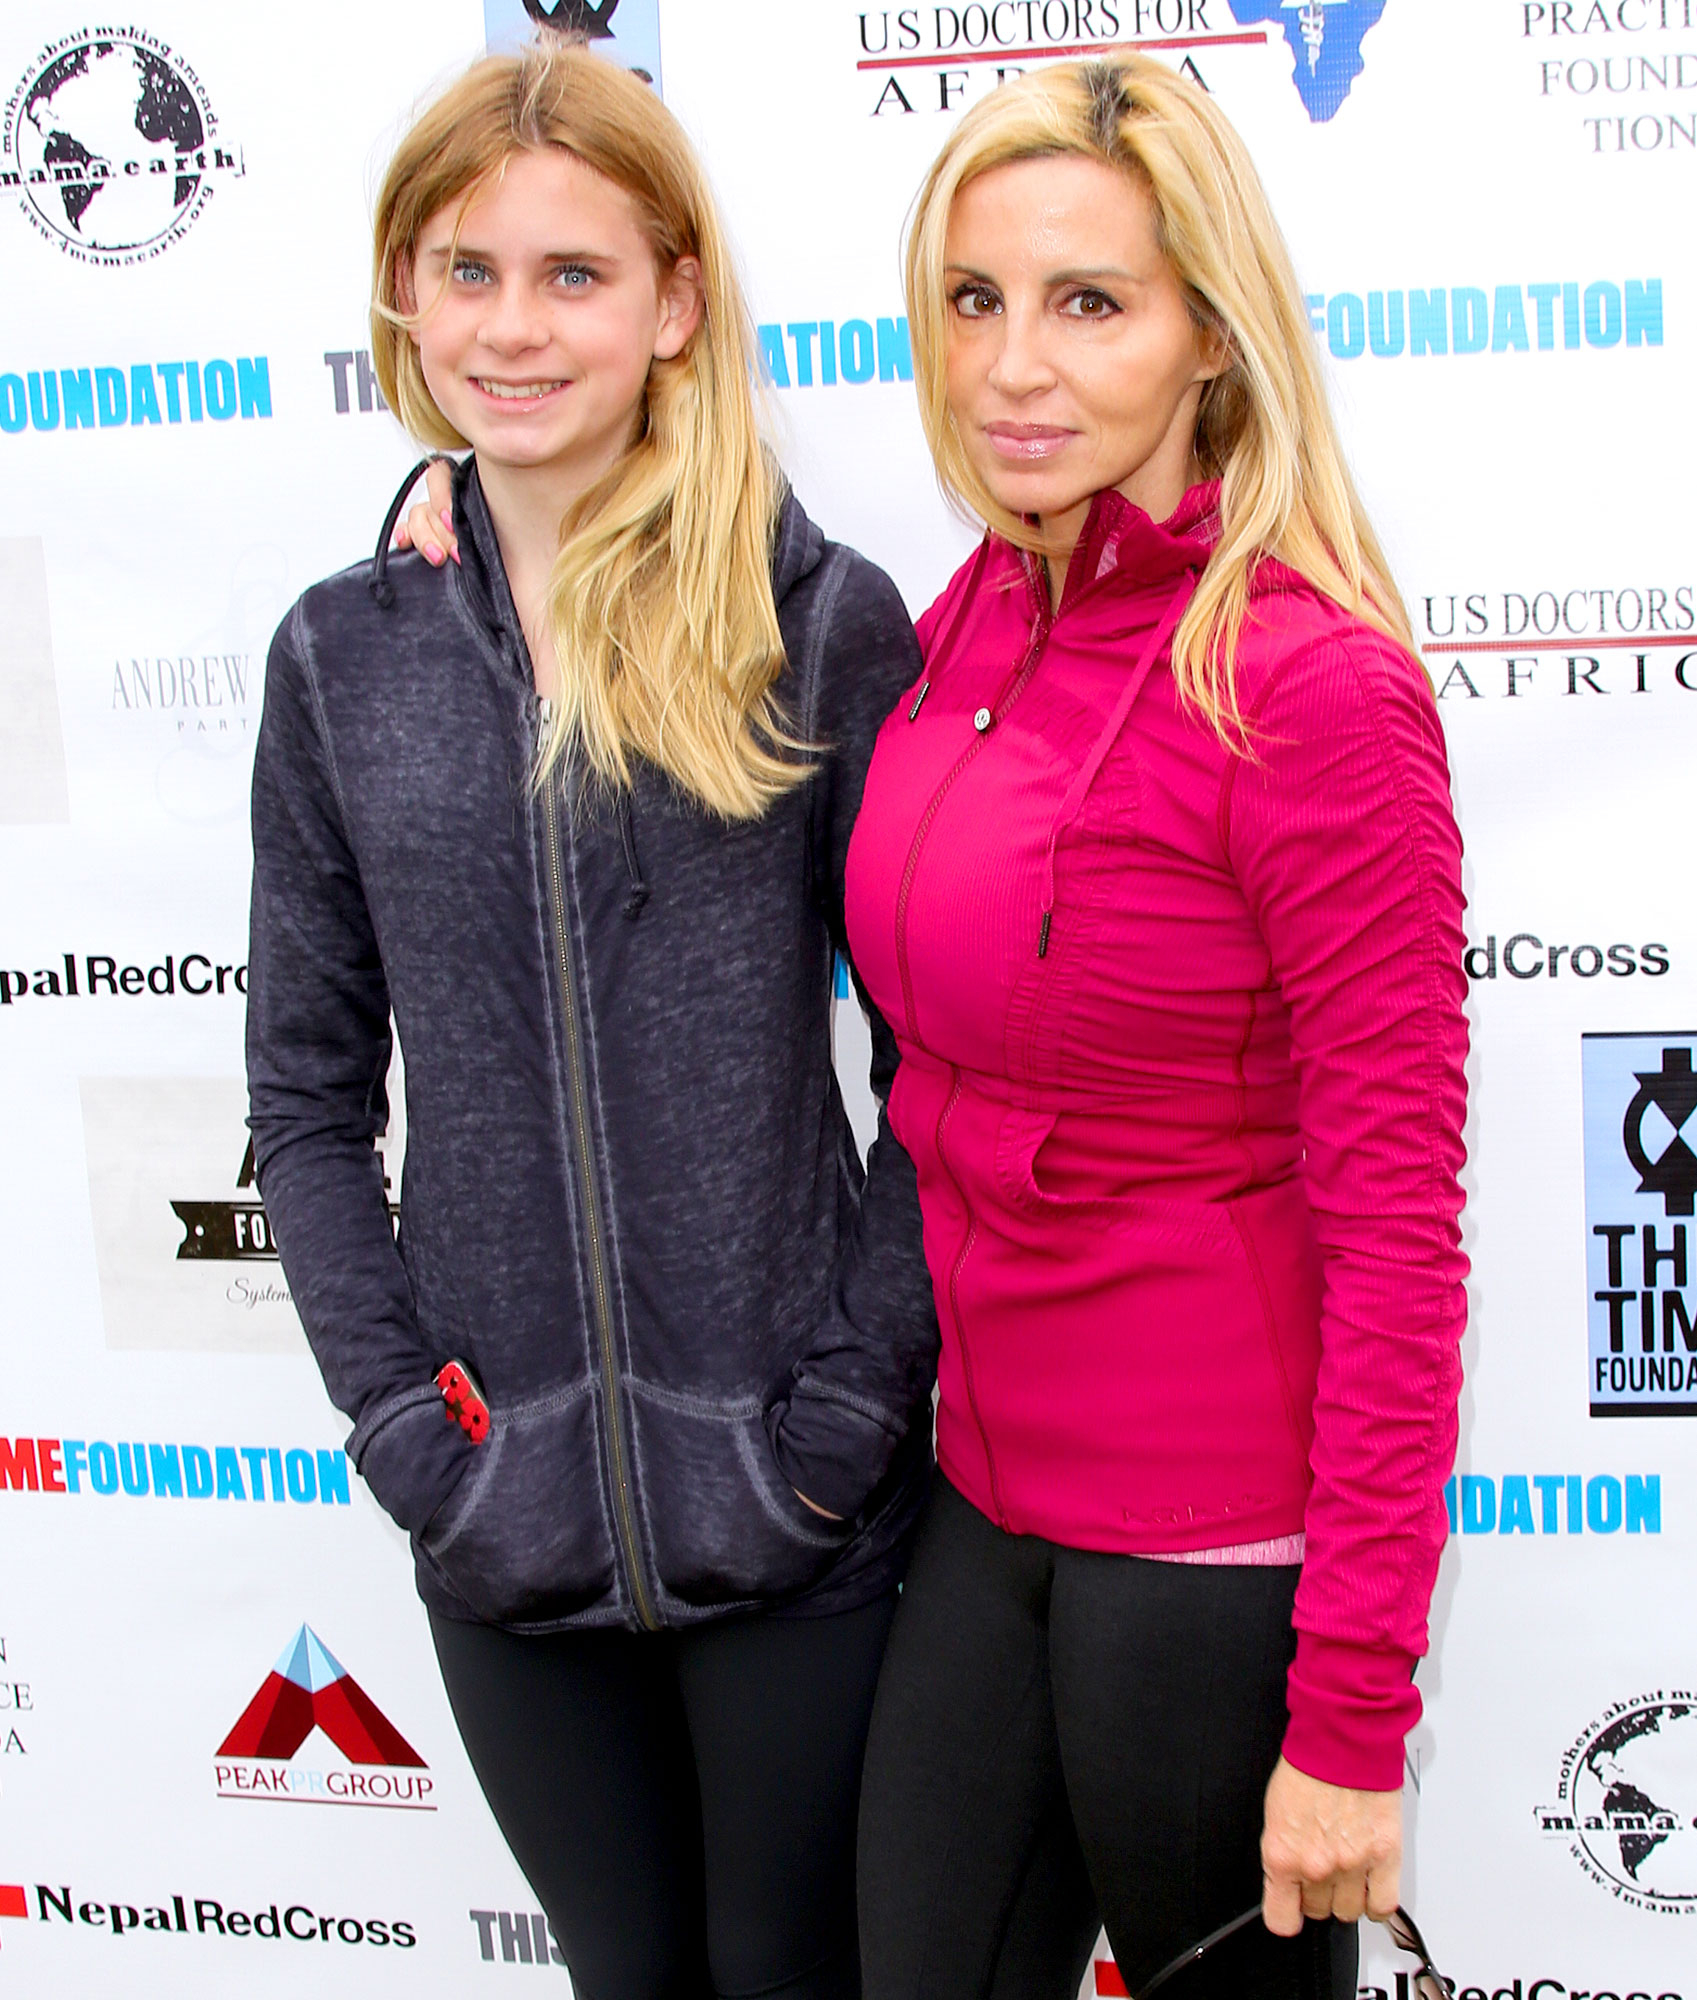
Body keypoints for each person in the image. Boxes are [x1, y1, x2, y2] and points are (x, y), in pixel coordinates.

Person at [244, 41, 937, 2000]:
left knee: (791, 1971)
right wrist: (410, 1429)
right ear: (402, 293)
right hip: (503, 1517)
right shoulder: (337, 655)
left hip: (793, 1501)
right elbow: (303, 1088)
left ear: (672, 301)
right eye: (465, 270)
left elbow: (938, 1062)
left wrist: (842, 1410)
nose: (513, 326)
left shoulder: (815, 622)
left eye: (571, 274)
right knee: (624, 1976)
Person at [842, 57, 1469, 2000]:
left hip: (1213, 1555)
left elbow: (1394, 1232)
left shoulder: (1308, 687)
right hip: (982, 1495)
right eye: (972, 300)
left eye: (1087, 302)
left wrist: (1349, 1712)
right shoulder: (965, 625)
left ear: (1207, 333)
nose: (1012, 366)